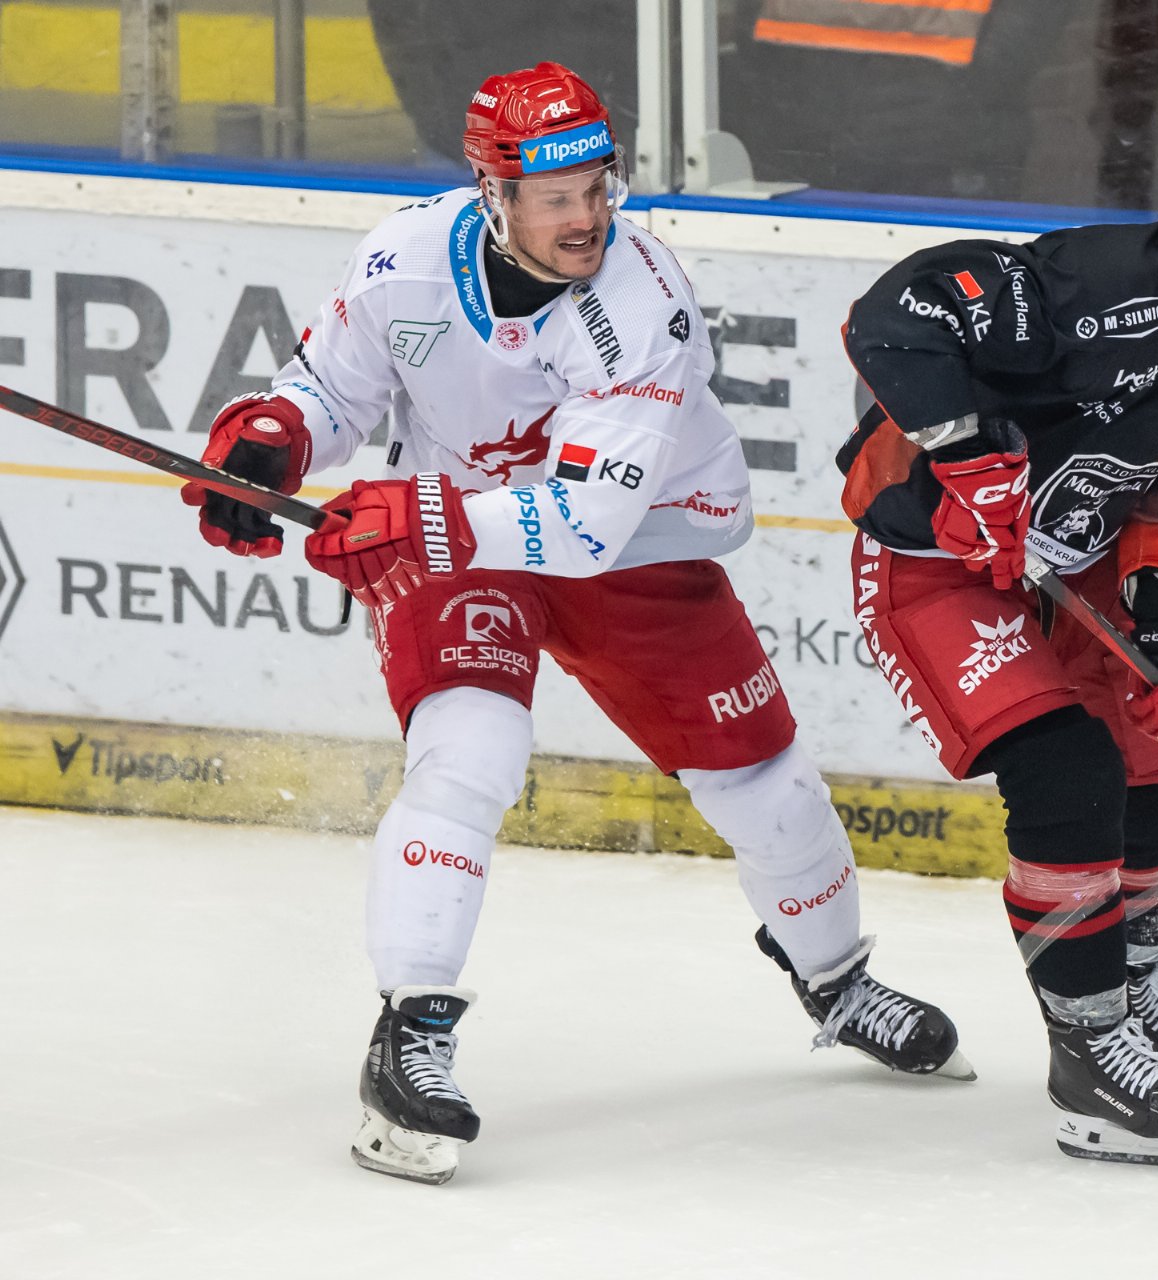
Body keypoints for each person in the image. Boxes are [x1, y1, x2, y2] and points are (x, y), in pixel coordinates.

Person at [179, 61, 971, 1186]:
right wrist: (274, 434)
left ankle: (838, 981)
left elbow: (587, 523)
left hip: (632, 543)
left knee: (766, 783)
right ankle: (411, 1035)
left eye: (599, 188)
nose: (586, 217)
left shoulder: (642, 303)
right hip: (460, 538)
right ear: (493, 194)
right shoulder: (404, 258)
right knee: (469, 751)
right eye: (556, 197)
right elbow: (334, 385)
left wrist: (421, 517)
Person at [836, 121, 1158, 1167]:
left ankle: (1135, 978)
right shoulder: (1084, 286)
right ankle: (1089, 1050)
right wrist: (966, 457)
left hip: (1079, 563)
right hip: (938, 559)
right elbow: (894, 316)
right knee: (1068, 772)